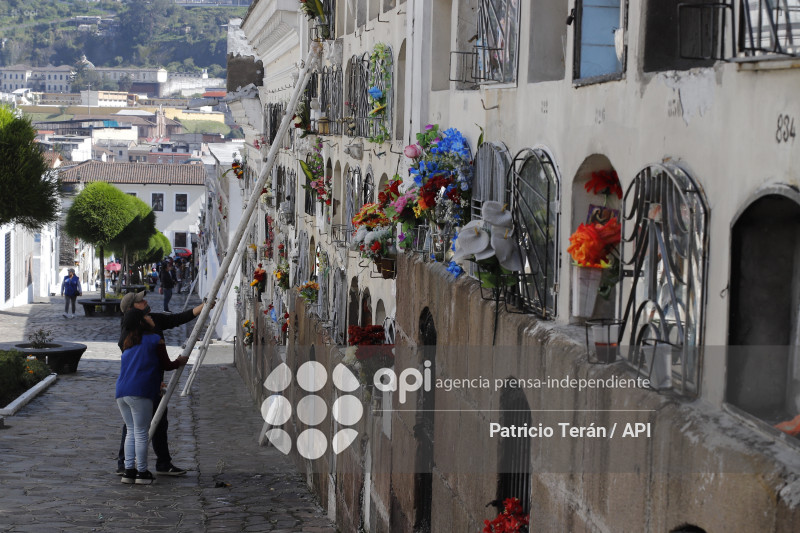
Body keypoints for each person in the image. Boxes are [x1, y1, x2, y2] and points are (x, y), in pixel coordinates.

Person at [116, 290, 208, 477]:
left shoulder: (134, 335)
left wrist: (203, 307)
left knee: (141, 426)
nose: (146, 302)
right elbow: (162, 363)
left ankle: (133, 467)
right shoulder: (143, 337)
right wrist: (178, 362)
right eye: (141, 302)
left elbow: (176, 319)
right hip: (145, 386)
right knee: (138, 430)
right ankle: (138, 469)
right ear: (133, 311)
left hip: (128, 388)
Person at [116, 308, 189, 485]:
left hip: (121, 392)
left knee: (131, 432)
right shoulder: (155, 339)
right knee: (141, 433)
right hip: (140, 392)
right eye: (147, 316)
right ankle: (141, 472)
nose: (150, 317)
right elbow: (166, 364)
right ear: (142, 322)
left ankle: (128, 471)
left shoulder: (128, 342)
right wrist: (181, 360)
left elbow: (142, 365)